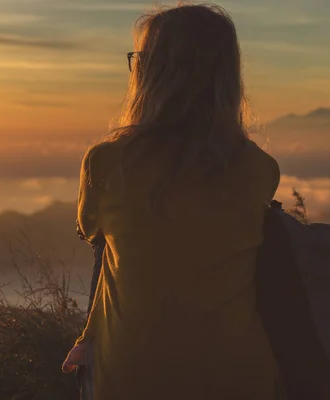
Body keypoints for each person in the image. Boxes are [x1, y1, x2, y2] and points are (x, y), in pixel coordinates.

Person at [62, 4, 282, 399]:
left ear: (152, 74)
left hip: (133, 379)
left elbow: (92, 232)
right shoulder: (260, 168)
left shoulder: (107, 162)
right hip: (242, 377)